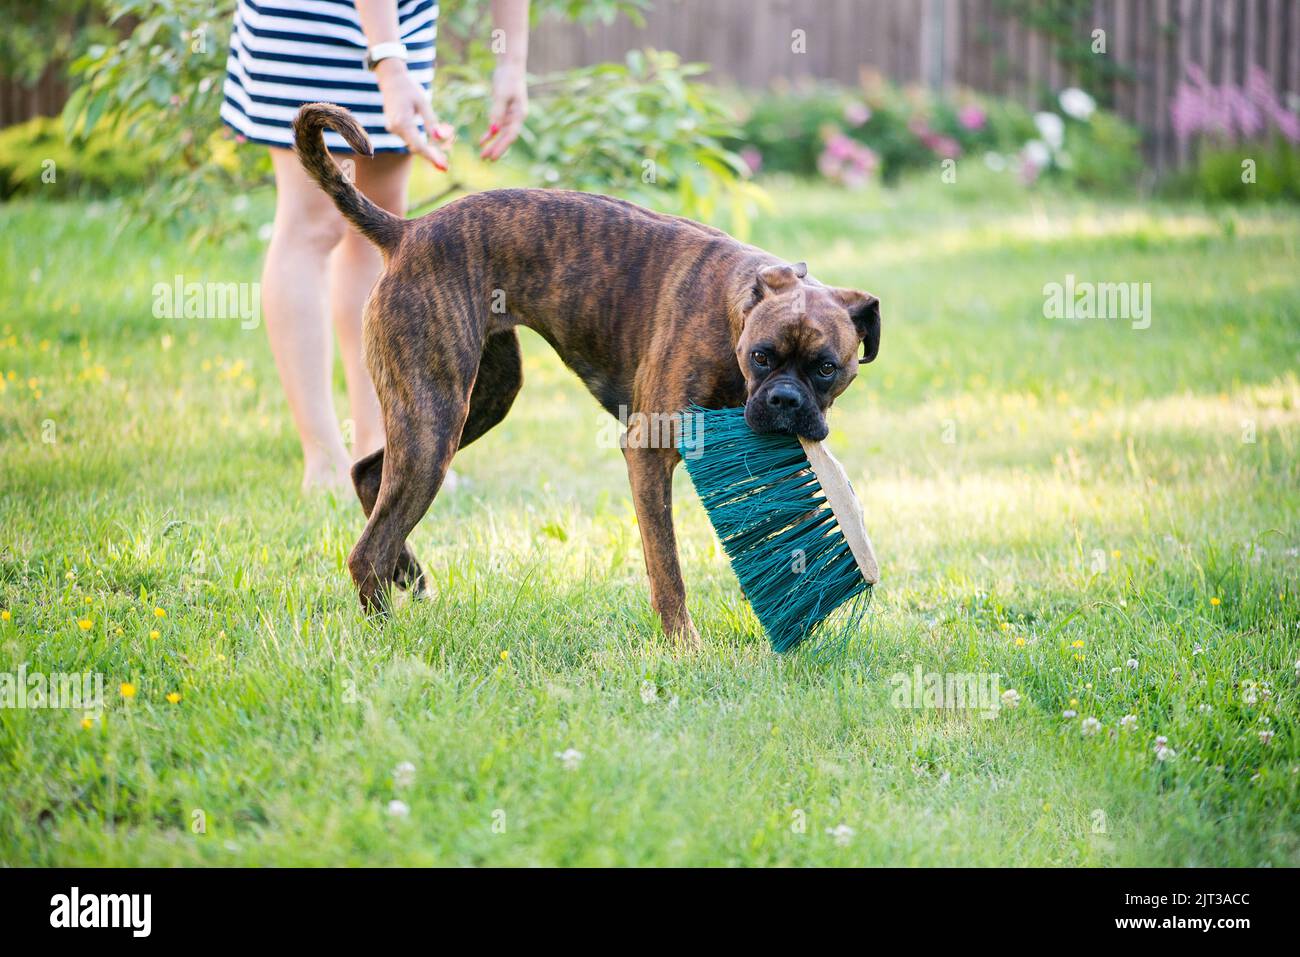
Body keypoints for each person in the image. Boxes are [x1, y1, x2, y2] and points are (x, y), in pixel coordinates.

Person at [221, 0, 530, 490]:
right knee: (313, 223)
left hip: (402, 17)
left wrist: (511, 66)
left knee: (378, 224)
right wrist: (388, 65)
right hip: (309, 16)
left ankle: (378, 450)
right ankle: (322, 460)